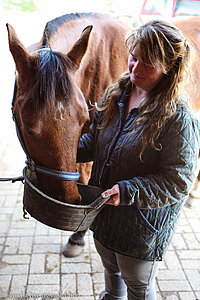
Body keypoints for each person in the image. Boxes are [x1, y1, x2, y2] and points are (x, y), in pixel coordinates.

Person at [77, 20, 200, 300]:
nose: (135, 69)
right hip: (105, 217)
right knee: (112, 279)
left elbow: (178, 181)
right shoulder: (117, 93)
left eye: (147, 64)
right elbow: (95, 142)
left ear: (169, 67)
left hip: (141, 229)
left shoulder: (178, 118)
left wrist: (128, 191)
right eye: (133, 58)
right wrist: (63, 152)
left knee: (138, 287)